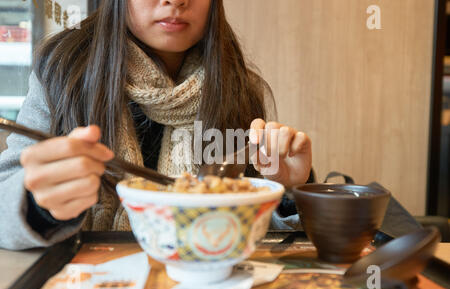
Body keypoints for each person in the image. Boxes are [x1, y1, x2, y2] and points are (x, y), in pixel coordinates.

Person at [0, 0, 312, 250]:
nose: (175, 1)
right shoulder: (64, 72)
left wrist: (290, 192)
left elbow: (251, 234)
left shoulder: (241, 90)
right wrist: (39, 203)